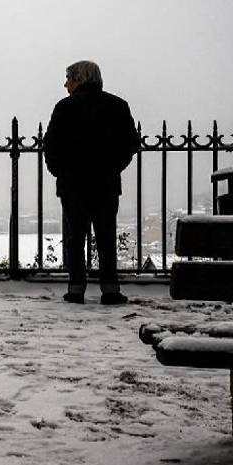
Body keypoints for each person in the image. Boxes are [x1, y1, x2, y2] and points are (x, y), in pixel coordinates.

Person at [43, 60, 140, 305]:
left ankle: (76, 289)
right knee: (106, 236)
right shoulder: (117, 106)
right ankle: (110, 289)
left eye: (68, 79)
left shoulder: (64, 108)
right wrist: (114, 167)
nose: (65, 84)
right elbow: (130, 144)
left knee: (75, 237)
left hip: (72, 184)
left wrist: (60, 172)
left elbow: (51, 146)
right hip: (105, 183)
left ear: (79, 79)